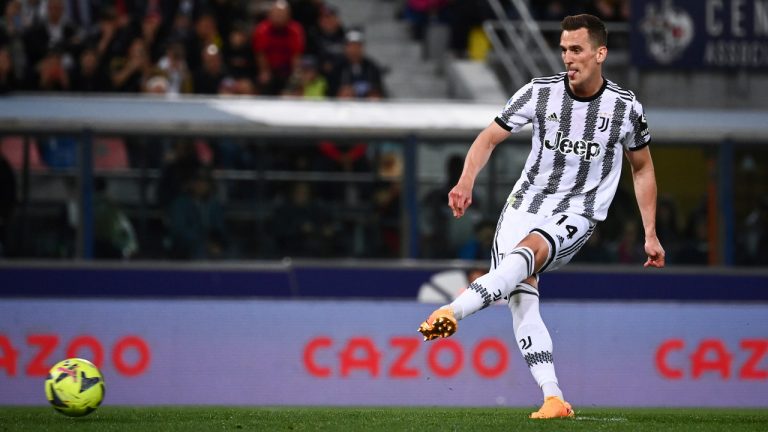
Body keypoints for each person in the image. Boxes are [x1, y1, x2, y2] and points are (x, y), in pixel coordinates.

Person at [417, 14, 665, 419]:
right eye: (564, 49)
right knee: (520, 297)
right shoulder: (539, 93)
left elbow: (642, 169)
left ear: (600, 53)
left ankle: (451, 311)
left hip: (578, 210)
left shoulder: (624, 107)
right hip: (525, 203)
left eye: (577, 49)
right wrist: (465, 181)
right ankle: (553, 398)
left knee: (527, 254)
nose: (568, 57)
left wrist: (649, 233)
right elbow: (489, 138)